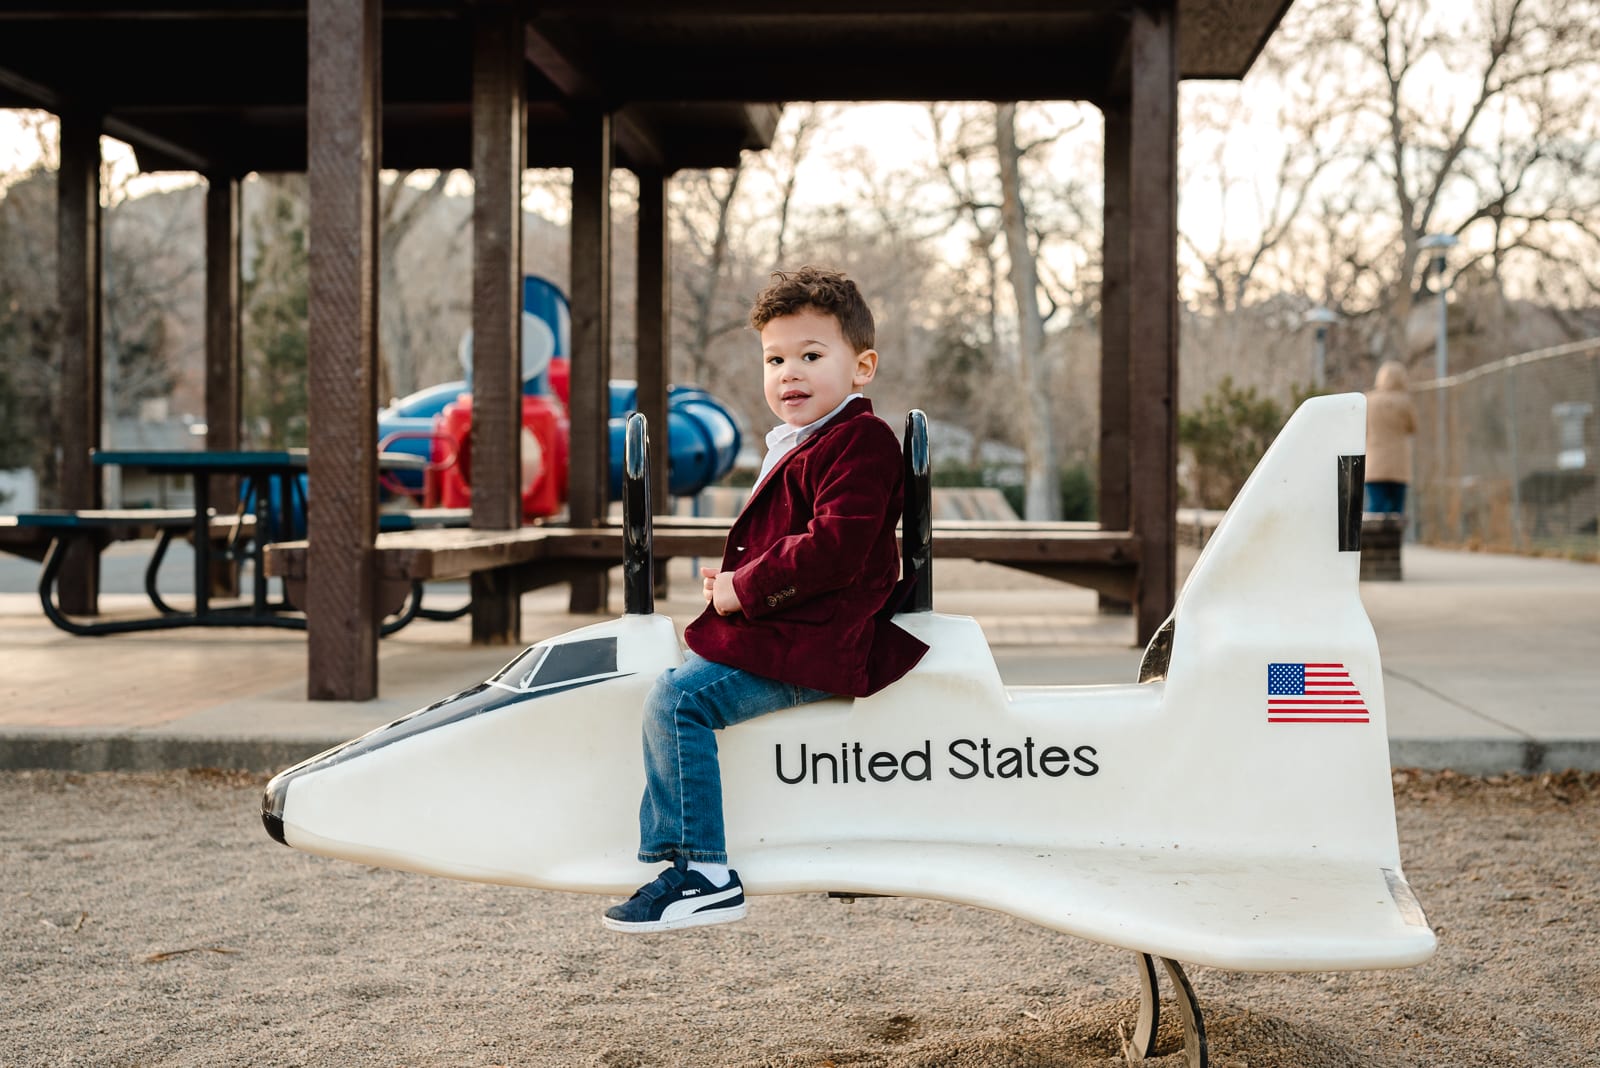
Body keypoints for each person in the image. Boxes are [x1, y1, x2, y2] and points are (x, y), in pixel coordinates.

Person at [602, 266, 929, 933]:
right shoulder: (804, 441)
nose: (790, 373)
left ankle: (703, 873)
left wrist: (743, 591)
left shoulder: (860, 442)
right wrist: (730, 589)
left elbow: (833, 547)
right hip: (792, 630)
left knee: (679, 700)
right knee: (667, 677)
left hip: (819, 645)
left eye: (812, 356)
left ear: (861, 366)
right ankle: (684, 860)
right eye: (775, 359)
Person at [1365, 360, 1418, 515]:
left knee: (1375, 508)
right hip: (1399, 467)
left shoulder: (1368, 400)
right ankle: (1393, 540)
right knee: (1396, 512)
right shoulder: (1406, 402)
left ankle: (1372, 539)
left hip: (1374, 466)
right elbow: (1413, 427)